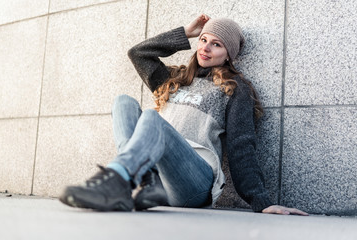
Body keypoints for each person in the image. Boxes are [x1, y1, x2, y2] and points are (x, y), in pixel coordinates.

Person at [59, 14, 308, 215]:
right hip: (159, 178)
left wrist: (260, 201)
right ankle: (139, 181)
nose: (206, 48)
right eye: (203, 40)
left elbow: (241, 147)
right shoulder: (175, 79)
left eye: (216, 44)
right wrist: (185, 33)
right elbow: (138, 54)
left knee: (151, 118)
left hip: (194, 183)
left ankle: (118, 179)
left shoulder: (235, 89)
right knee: (123, 102)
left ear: (228, 54)